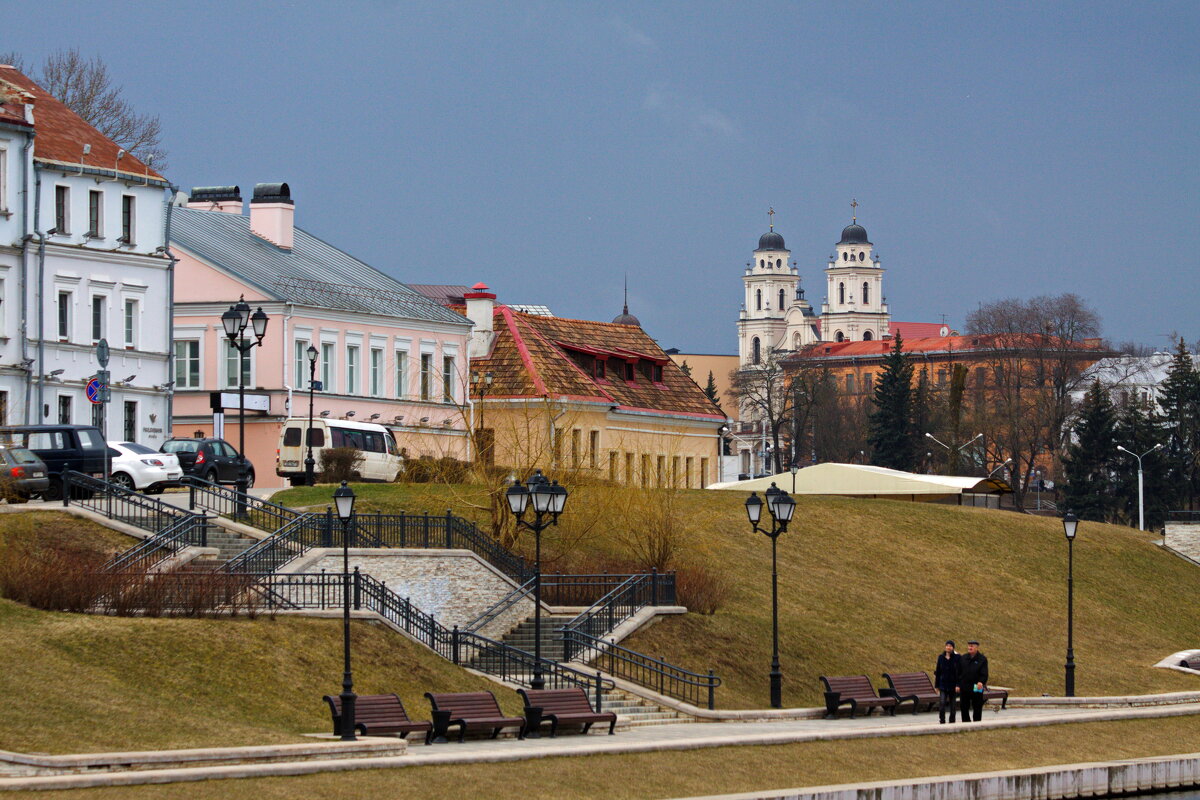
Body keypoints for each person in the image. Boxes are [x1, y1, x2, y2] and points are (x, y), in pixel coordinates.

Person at [959, 639, 989, 723]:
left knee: (977, 706)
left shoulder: (982, 659)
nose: (970, 647)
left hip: (977, 686)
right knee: (964, 706)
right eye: (969, 646)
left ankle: (977, 723)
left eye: (972, 646)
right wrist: (958, 684)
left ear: (976, 647)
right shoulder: (963, 658)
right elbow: (958, 672)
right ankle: (966, 723)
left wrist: (981, 682)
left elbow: (984, 673)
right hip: (965, 686)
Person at [933, 640, 961, 723]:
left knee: (953, 705)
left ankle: (952, 720)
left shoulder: (957, 658)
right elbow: (938, 672)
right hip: (943, 685)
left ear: (953, 648)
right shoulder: (941, 657)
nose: (948, 647)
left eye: (950, 646)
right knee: (942, 703)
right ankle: (942, 720)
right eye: (947, 646)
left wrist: (958, 685)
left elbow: (959, 672)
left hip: (953, 685)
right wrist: (936, 686)